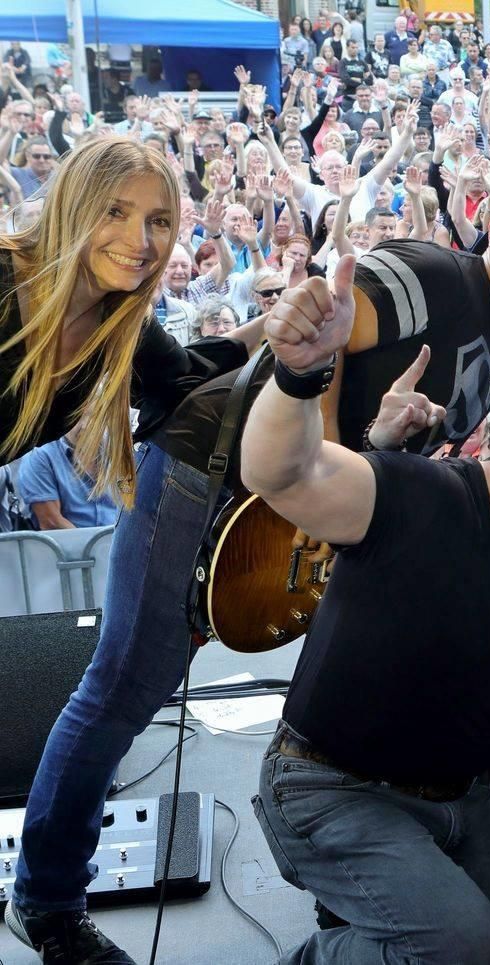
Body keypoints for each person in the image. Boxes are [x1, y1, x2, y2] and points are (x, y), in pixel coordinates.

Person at [243, 258, 490, 959]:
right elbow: (283, 473)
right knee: (462, 949)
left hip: (456, 798)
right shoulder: (421, 493)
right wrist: (298, 374)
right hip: (328, 788)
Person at [2, 138, 264, 964]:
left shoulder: (121, 323)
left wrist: (275, 329)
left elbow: (189, 382)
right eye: (116, 212)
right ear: (71, 204)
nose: (140, 239)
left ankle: (46, 904)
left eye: (157, 220)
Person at [11, 420, 120, 529]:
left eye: (93, 417)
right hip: (71, 539)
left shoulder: (115, 448)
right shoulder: (40, 456)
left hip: (117, 535)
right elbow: (51, 523)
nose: (85, 425)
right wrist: (98, 540)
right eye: (76, 418)